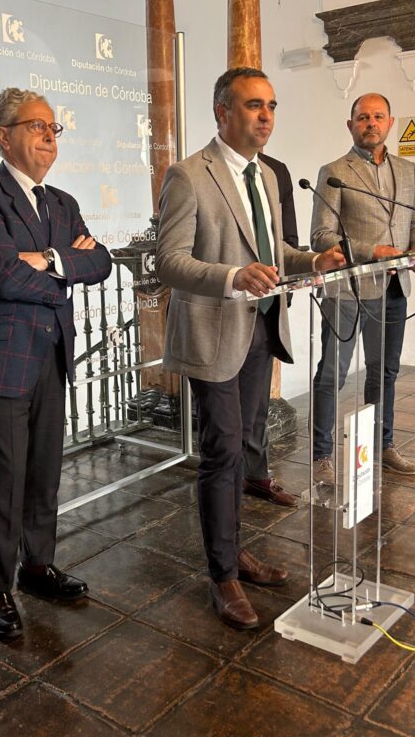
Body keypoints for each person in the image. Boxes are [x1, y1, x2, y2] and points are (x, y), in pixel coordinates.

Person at [155, 67, 345, 629]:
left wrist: (312, 260)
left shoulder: (266, 175)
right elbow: (169, 262)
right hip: (213, 333)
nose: (266, 117)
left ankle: (234, 552)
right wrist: (233, 277)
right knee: (223, 453)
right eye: (254, 105)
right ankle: (222, 577)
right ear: (223, 112)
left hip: (262, 329)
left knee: (243, 449)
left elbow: (274, 248)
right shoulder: (189, 174)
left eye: (271, 106)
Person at [0, 88, 112, 642]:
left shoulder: (61, 202)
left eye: (53, 127)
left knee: (44, 472)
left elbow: (101, 262)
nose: (48, 135)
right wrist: (63, 270)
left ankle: (37, 566)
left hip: (48, 353)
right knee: (3, 483)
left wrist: (46, 260)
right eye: (36, 125)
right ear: (4, 135)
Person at [309, 92, 415, 481]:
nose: (371, 123)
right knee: (333, 373)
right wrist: (371, 251)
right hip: (348, 290)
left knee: (385, 371)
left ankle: (383, 445)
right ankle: (322, 455)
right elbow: (320, 236)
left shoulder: (408, 171)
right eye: (363, 117)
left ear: (390, 123)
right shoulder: (334, 171)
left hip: (394, 290)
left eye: (378, 116)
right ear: (351, 125)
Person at [239, 152, 300, 508]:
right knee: (228, 420)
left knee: (259, 405)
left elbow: (285, 239)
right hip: (224, 311)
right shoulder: (198, 171)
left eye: (268, 123)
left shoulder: (275, 171)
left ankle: (256, 475)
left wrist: (312, 262)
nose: (264, 123)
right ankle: (227, 482)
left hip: (266, 306)